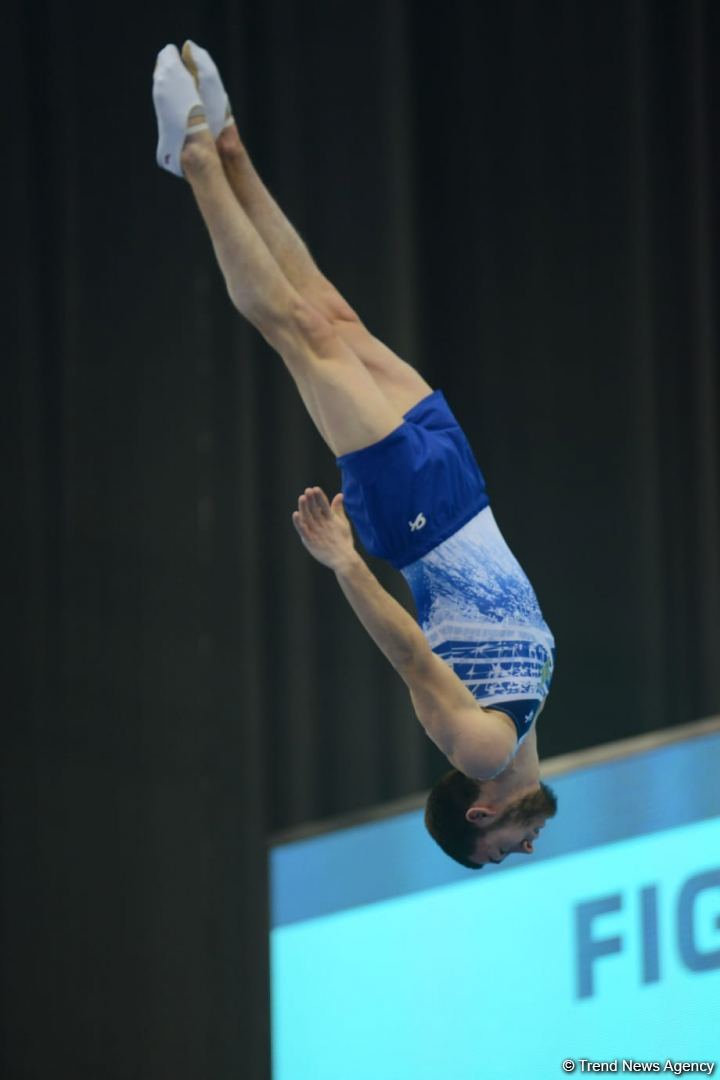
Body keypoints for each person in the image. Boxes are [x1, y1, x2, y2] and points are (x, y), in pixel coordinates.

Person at [152, 41, 558, 869]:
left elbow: (411, 653)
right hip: (460, 486)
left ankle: (193, 160)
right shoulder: (526, 720)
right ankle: (233, 151)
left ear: (480, 813)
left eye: (506, 848)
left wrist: (344, 565)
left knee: (299, 337)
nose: (529, 847)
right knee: (333, 315)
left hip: (412, 515)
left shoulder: (478, 749)